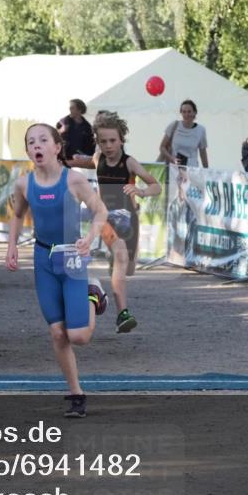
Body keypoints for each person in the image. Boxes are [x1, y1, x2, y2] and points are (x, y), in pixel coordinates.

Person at [6, 123, 108, 418]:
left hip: (72, 258)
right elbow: (16, 214)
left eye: (42, 141)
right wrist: (11, 247)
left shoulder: (73, 180)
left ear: (56, 147)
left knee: (79, 336)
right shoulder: (24, 184)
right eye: (30, 142)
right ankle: (76, 395)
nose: (35, 146)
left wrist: (89, 238)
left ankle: (93, 293)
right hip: (43, 260)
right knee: (56, 333)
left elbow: (100, 210)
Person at [88, 112, 161, 334]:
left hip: (128, 219)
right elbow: (83, 160)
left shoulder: (129, 162)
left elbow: (156, 186)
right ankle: (123, 314)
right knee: (120, 253)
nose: (108, 145)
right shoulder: (97, 158)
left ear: (121, 140)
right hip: (105, 217)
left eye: (112, 140)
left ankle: (97, 291)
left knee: (126, 268)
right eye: (103, 141)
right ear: (98, 142)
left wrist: (140, 190)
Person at [159, 99, 209, 168]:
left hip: (191, 169)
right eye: (184, 112)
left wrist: (206, 170)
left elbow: (203, 153)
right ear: (181, 113)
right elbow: (162, 147)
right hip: (174, 168)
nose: (186, 114)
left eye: (189, 112)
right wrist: (171, 158)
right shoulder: (174, 125)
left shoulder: (201, 130)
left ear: (194, 113)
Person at [56, 98, 96, 165]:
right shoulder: (64, 121)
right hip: (63, 160)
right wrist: (61, 130)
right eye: (70, 108)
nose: (70, 110)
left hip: (79, 163)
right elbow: (53, 135)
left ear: (79, 110)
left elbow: (91, 146)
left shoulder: (87, 127)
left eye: (72, 108)